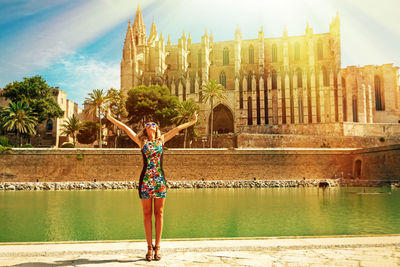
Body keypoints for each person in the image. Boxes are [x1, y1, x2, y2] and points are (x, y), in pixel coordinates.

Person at [106, 108, 198, 261]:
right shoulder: (141, 141)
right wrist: (110, 118)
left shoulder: (161, 140)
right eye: (148, 124)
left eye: (153, 124)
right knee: (147, 215)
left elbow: (177, 128)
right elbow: (124, 128)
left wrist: (192, 121)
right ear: (145, 129)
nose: (151, 125)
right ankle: (149, 248)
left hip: (160, 181)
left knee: (159, 214)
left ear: (157, 128)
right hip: (146, 182)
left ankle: (158, 248)